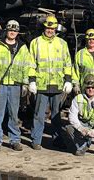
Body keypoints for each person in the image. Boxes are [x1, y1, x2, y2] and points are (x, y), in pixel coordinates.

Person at [29, 15, 72, 150]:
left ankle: (57, 139)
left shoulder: (62, 44)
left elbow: (67, 63)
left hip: (57, 85)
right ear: (45, 27)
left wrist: (68, 80)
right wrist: (32, 81)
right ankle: (36, 140)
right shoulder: (35, 43)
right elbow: (31, 63)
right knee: (39, 115)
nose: (50, 30)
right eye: (48, 28)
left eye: (52, 28)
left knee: (56, 116)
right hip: (41, 85)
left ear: (55, 29)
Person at [0, 20, 35, 152]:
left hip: (15, 85)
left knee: (13, 114)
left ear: (18, 32)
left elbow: (28, 65)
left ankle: (15, 140)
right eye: (10, 30)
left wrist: (27, 83)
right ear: (6, 30)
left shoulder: (22, 48)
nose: (12, 32)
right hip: (1, 84)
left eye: (15, 30)